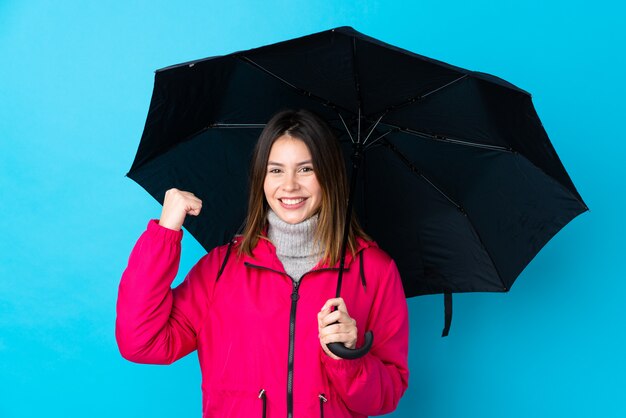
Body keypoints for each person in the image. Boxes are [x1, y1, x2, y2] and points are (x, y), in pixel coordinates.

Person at [116, 109, 409, 417]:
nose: (290, 186)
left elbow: (383, 399)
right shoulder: (220, 269)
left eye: (306, 169)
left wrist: (349, 358)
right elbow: (141, 342)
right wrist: (165, 233)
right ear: (261, 178)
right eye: (276, 170)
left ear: (329, 174)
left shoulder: (374, 270)